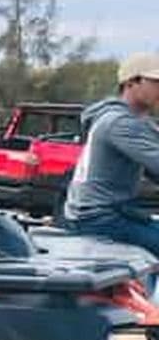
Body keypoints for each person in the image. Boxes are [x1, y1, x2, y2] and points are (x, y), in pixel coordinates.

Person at [63, 51, 159, 262]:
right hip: (100, 218)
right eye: (155, 82)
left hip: (103, 213)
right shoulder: (120, 123)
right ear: (131, 82)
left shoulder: (126, 119)